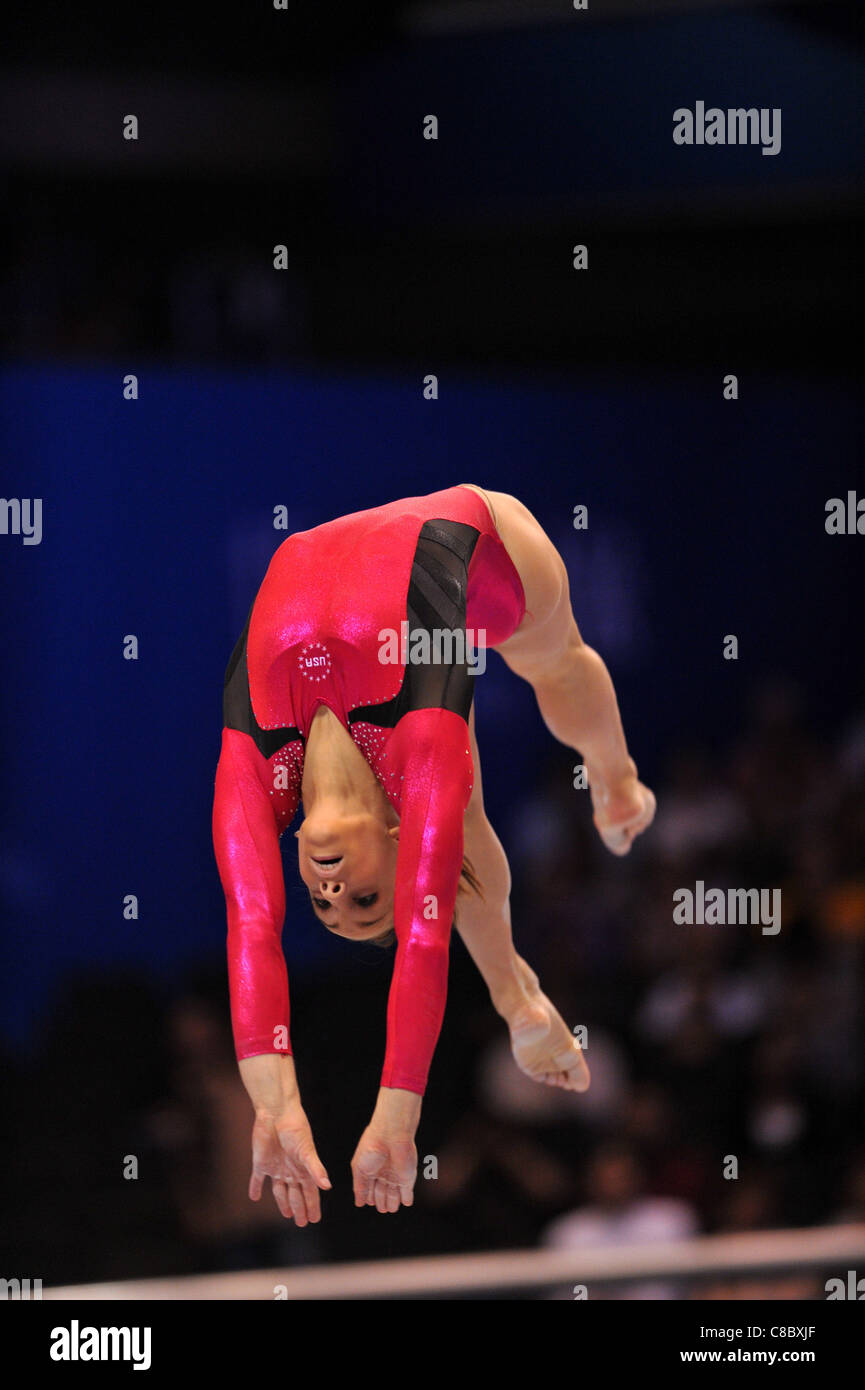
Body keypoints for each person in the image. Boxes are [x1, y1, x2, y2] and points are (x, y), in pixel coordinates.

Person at [212, 484, 655, 1223]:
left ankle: (519, 984)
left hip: (387, 577)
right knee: (539, 683)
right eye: (362, 900)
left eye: (324, 906)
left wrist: (274, 1107)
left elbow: (251, 926)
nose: (329, 890)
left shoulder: (259, 772)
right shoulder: (415, 742)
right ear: (394, 845)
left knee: (482, 769)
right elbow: (422, 935)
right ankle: (616, 782)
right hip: (483, 545)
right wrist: (396, 1118)